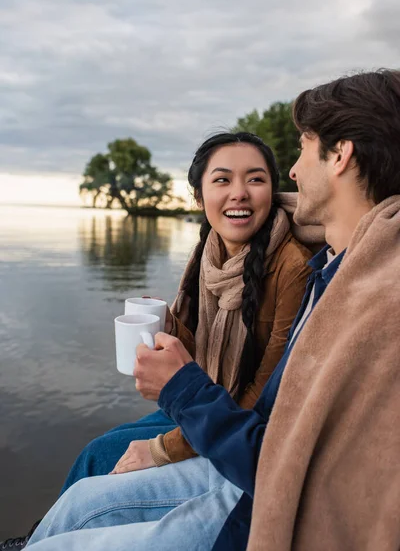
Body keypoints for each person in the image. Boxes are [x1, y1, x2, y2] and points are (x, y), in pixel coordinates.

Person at [26, 69, 400, 551]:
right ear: (200, 197)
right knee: (86, 488)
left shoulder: (358, 290)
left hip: (248, 466)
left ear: (341, 155)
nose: (293, 171)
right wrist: (166, 333)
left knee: (99, 464)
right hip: (231, 428)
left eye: (304, 146)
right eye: (220, 182)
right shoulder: (324, 262)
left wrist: (172, 417)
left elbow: (279, 438)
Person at [1, 131, 313, 550]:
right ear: (199, 197)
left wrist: (163, 449)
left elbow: (262, 395)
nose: (239, 193)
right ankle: (46, 536)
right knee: (95, 454)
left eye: (255, 179)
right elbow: (197, 351)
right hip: (209, 399)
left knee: (107, 459)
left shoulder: (291, 266)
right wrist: (166, 323)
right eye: (222, 180)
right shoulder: (210, 249)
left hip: (234, 421)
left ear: (272, 191)